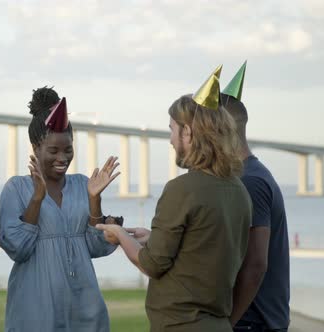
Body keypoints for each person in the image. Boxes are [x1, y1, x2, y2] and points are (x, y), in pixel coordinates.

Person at [97, 68, 252, 332]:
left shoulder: (181, 190)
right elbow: (201, 247)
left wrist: (121, 235)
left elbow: (151, 264)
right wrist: (151, 237)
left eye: (172, 130)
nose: (170, 140)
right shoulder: (239, 191)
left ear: (188, 133)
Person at [0, 86, 120, 331]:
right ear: (35, 147)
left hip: (85, 308)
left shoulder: (82, 185)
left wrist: (94, 199)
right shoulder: (16, 188)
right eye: (53, 150)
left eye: (68, 150)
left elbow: (95, 247)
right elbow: (17, 248)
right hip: (36, 311)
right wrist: (37, 198)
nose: (62, 158)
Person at [222, 62, 290, 332]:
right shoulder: (247, 176)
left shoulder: (250, 181)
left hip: (254, 322)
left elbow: (256, 265)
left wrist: (228, 323)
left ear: (222, 129)